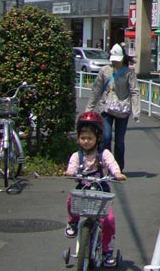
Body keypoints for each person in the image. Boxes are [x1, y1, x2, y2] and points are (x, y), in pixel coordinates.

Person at [65, 111, 127, 268]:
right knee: (71, 201)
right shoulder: (77, 156)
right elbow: (72, 166)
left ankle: (107, 252)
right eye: (83, 138)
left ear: (98, 138)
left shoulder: (103, 154)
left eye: (90, 138)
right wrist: (71, 172)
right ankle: (72, 223)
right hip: (83, 190)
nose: (86, 141)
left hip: (101, 192)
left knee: (109, 220)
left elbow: (112, 164)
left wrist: (117, 173)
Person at [85, 43, 140, 169]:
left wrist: (136, 111)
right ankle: (105, 165)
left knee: (119, 141)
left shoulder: (129, 73)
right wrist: (89, 108)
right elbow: (96, 90)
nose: (115, 62)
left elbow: (135, 91)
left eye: (117, 60)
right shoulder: (105, 71)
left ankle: (118, 168)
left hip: (123, 110)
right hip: (106, 108)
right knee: (106, 137)